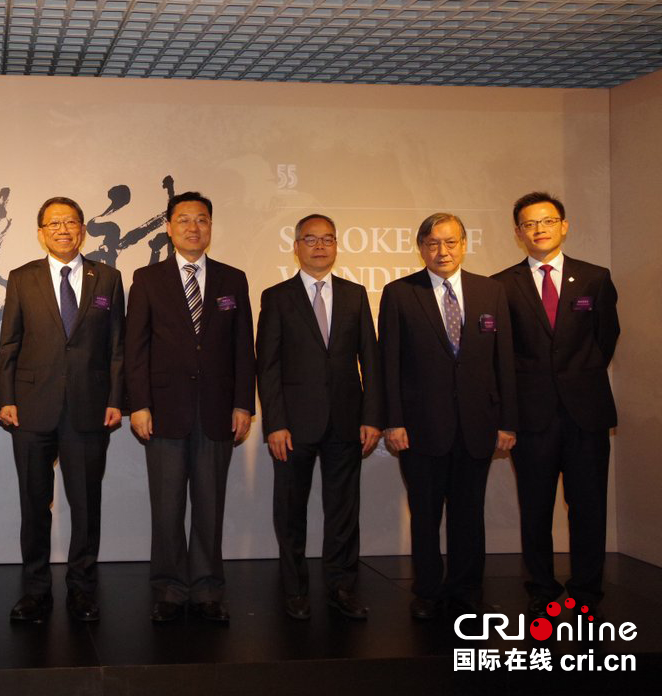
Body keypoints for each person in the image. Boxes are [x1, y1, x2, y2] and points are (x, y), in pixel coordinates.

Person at [378, 212, 517, 619]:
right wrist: (393, 421)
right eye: (433, 243)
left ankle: (466, 590)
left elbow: (504, 362)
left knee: (469, 514)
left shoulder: (491, 291)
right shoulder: (400, 293)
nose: (443, 251)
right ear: (421, 248)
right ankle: (427, 591)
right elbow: (389, 363)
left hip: (477, 425)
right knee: (425, 515)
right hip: (420, 428)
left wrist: (507, 422)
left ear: (464, 245)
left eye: (451, 242)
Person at [125, 191, 254, 624]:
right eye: (183, 220)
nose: (193, 227)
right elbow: (135, 347)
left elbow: (243, 348)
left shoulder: (233, 279)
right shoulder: (147, 279)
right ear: (169, 227)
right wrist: (139, 404)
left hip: (218, 411)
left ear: (211, 226)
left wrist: (243, 403)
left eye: (201, 219)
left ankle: (207, 589)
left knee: (209, 505)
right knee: (166, 507)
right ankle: (168, 589)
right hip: (164, 410)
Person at [0, 196, 125, 623]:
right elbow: (9, 343)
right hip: (32, 408)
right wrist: (5, 398)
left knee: (86, 505)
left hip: (90, 408)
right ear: (41, 233)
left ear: (82, 230)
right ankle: (35, 591)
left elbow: (117, 347)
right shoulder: (22, 278)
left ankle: (82, 590)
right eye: (53, 223)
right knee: (34, 503)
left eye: (70, 222)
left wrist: (116, 399)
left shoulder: (107, 278)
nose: (63, 230)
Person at [493, 192, 619, 618]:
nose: (540, 229)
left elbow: (606, 337)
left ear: (564, 226)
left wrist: (578, 377)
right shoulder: (501, 285)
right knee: (535, 507)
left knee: (588, 505)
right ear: (518, 233)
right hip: (531, 417)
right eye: (529, 224)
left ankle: (586, 589)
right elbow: (502, 353)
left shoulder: (594, 278)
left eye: (547, 221)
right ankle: (541, 587)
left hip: (586, 413)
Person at [256, 214, 382, 621]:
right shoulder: (277, 297)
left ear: (337, 246)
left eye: (328, 239)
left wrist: (372, 416)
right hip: (293, 426)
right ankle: (294, 590)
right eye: (311, 239)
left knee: (344, 512)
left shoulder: (354, 294)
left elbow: (370, 360)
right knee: (290, 511)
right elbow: (268, 367)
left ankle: (342, 588)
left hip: (346, 421)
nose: (320, 246)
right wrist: (275, 424)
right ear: (296, 247)